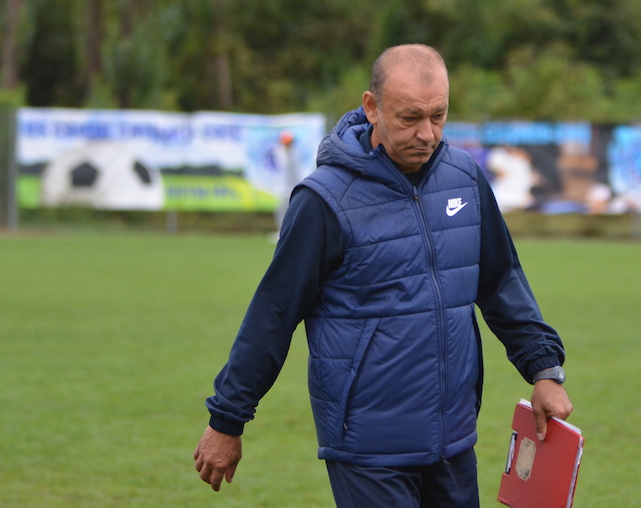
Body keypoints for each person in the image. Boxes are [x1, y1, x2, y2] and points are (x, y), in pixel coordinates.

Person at [193, 43, 573, 507]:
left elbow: (500, 281)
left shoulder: (464, 179)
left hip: (454, 439)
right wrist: (227, 419)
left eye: (438, 116)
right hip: (367, 447)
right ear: (372, 107)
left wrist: (544, 369)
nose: (427, 134)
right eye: (410, 117)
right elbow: (273, 313)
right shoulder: (323, 200)